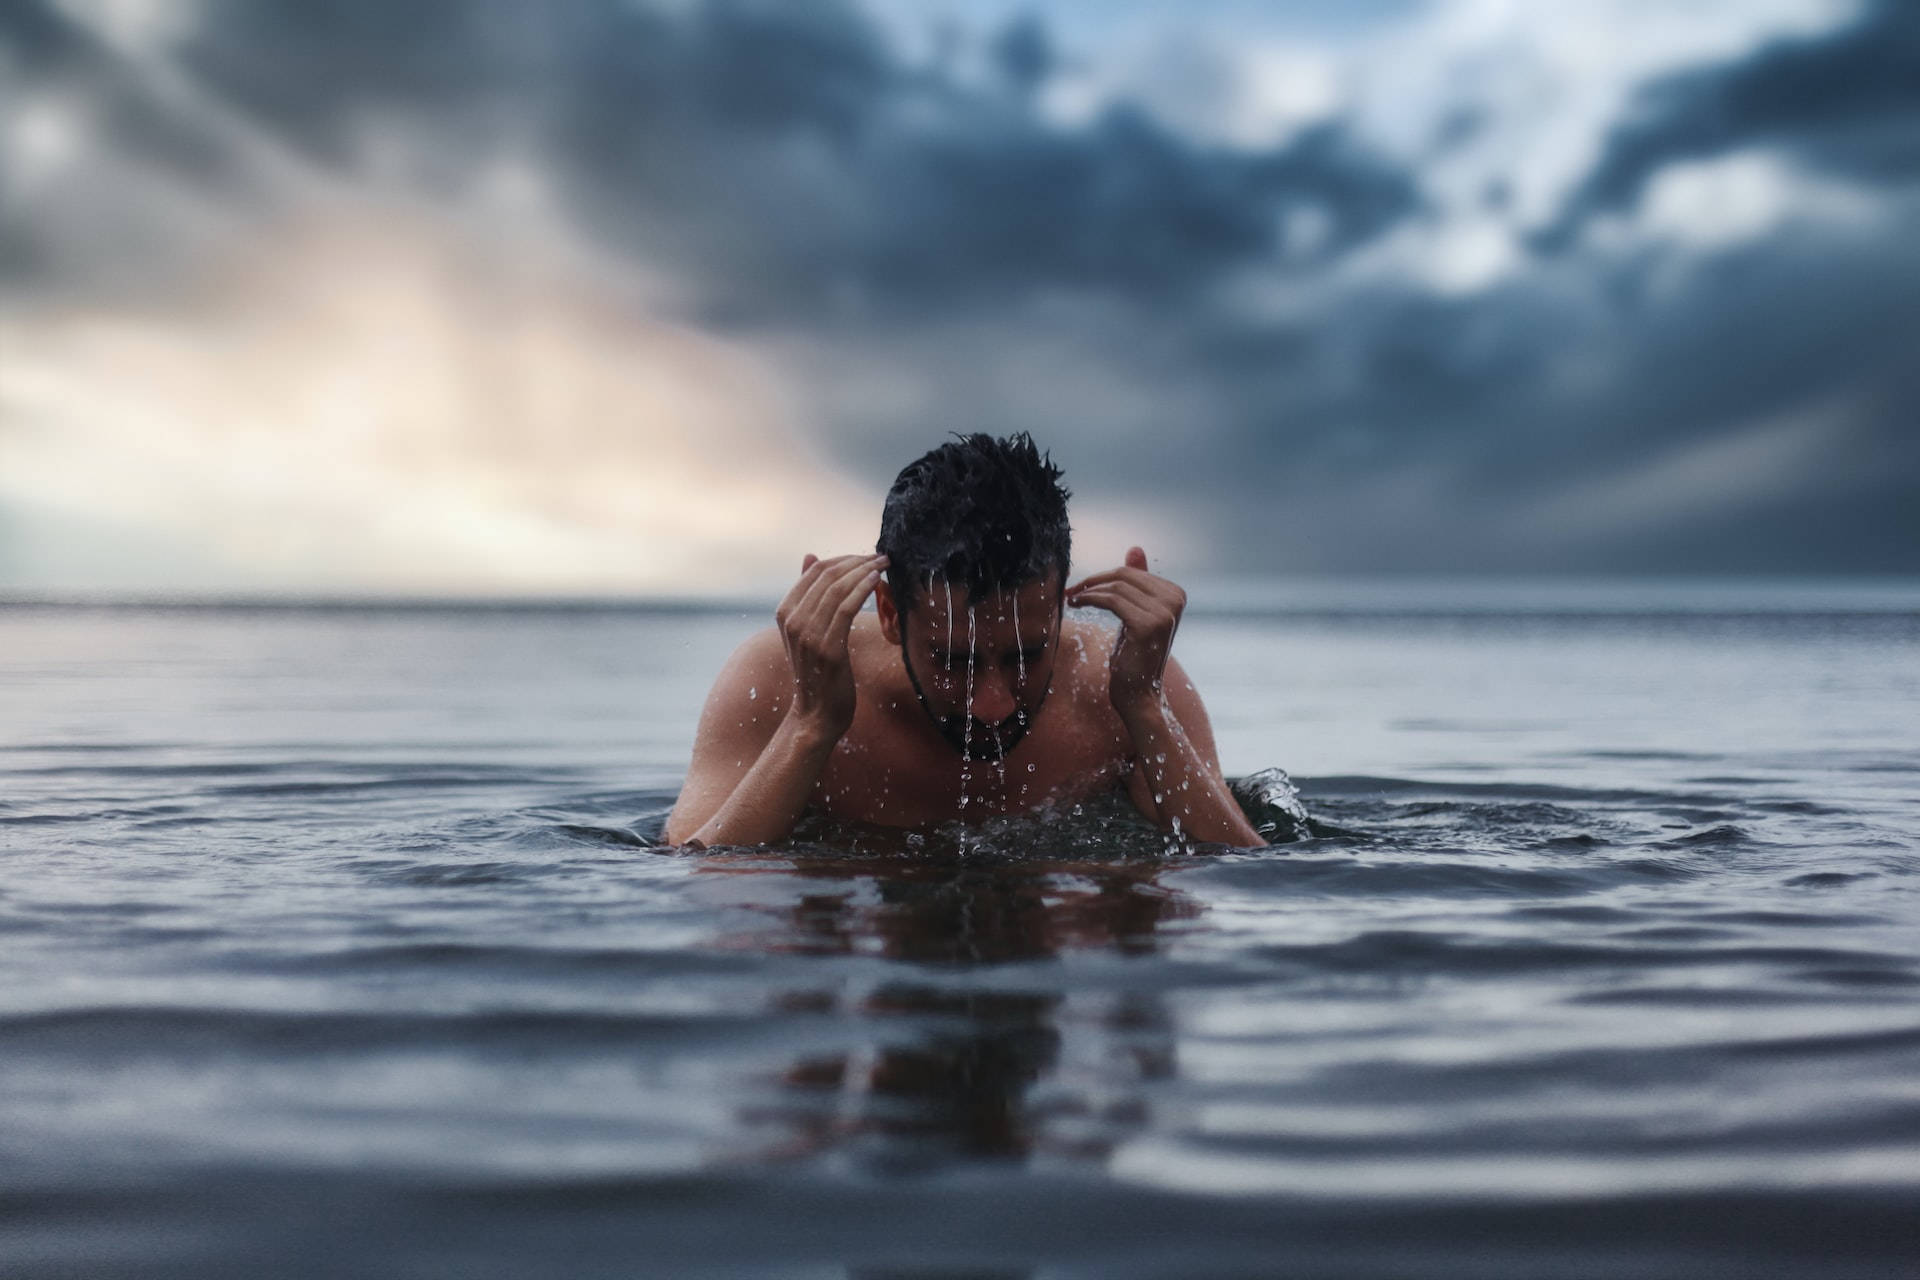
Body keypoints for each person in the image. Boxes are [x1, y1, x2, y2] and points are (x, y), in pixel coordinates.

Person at [664, 433, 1263, 849]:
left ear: (1058, 610)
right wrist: (812, 724)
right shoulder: (779, 680)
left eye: (1026, 655)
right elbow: (696, 876)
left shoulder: (1123, 685)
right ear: (892, 613)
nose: (994, 704)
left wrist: (1145, 708)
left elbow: (1240, 874)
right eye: (956, 660)